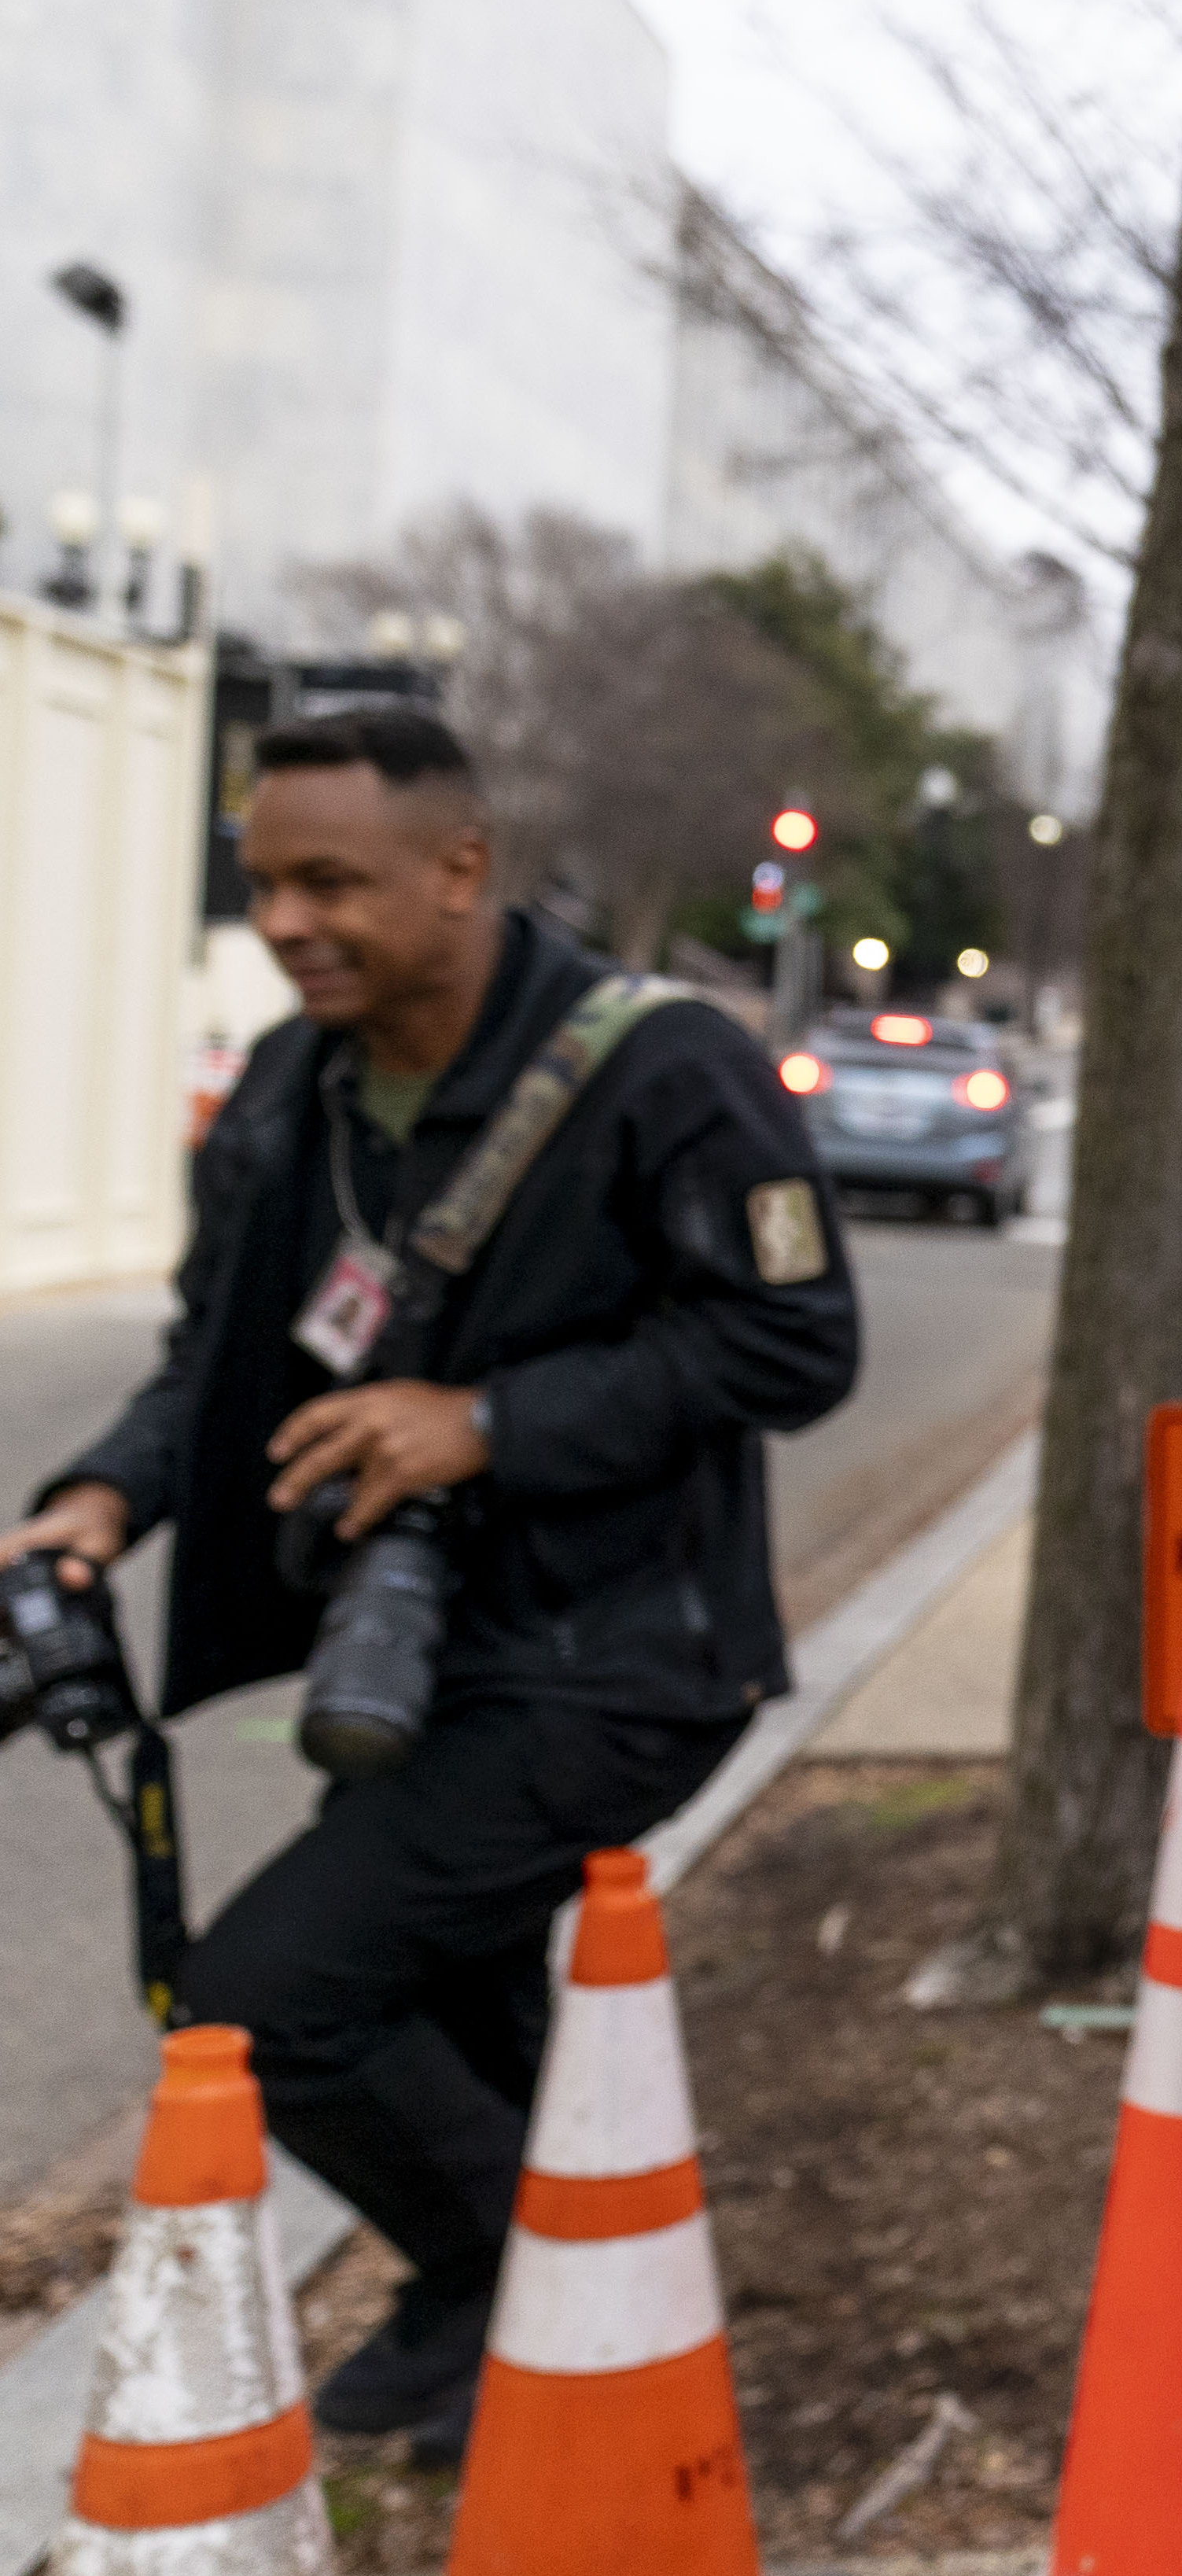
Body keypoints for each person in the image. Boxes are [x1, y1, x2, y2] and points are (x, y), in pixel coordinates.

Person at [0, 709, 857, 2464]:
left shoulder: (668, 1062)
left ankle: (514, 2284)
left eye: (331, 881)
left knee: (269, 2000)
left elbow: (796, 1336)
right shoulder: (286, 1086)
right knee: (467, 2002)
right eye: (262, 887)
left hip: (626, 1657)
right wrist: (97, 1500)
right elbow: (214, 1358)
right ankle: (561, 2372)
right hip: (399, 1661)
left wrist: (488, 1421)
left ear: (461, 868)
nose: (290, 922)